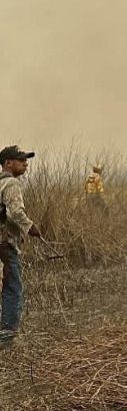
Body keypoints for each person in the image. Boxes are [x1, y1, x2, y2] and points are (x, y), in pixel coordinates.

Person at [0, 146, 41, 345]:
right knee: (12, 287)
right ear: (8, 163)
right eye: (21, 160)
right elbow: (15, 212)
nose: (25, 163)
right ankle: (7, 336)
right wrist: (30, 227)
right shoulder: (11, 183)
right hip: (4, 244)